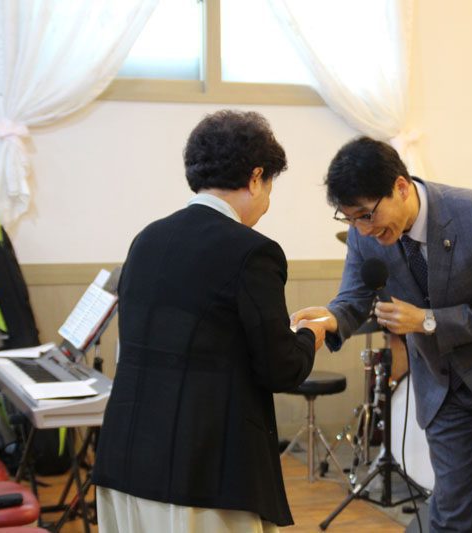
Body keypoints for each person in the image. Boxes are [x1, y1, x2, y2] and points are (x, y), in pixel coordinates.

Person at [292, 137, 472, 532]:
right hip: (443, 386)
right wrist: (329, 318)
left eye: (366, 215)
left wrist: (427, 321)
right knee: (450, 514)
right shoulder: (365, 236)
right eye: (350, 219)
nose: (362, 229)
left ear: (400, 187)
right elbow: (353, 298)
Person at [92, 110, 325, 532]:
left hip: (125, 458)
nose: (267, 203)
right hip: (203, 473)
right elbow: (281, 368)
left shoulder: (146, 240)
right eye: (270, 187)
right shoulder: (252, 251)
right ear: (256, 177)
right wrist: (311, 333)